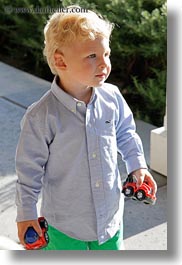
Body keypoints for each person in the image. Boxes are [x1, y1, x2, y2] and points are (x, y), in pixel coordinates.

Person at [15, 5, 157, 250]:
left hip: (109, 220)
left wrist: (137, 166)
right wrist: (26, 213)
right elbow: (29, 172)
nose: (104, 64)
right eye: (92, 56)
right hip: (65, 227)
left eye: (106, 54)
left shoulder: (112, 97)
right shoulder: (41, 117)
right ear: (60, 61)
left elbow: (125, 133)